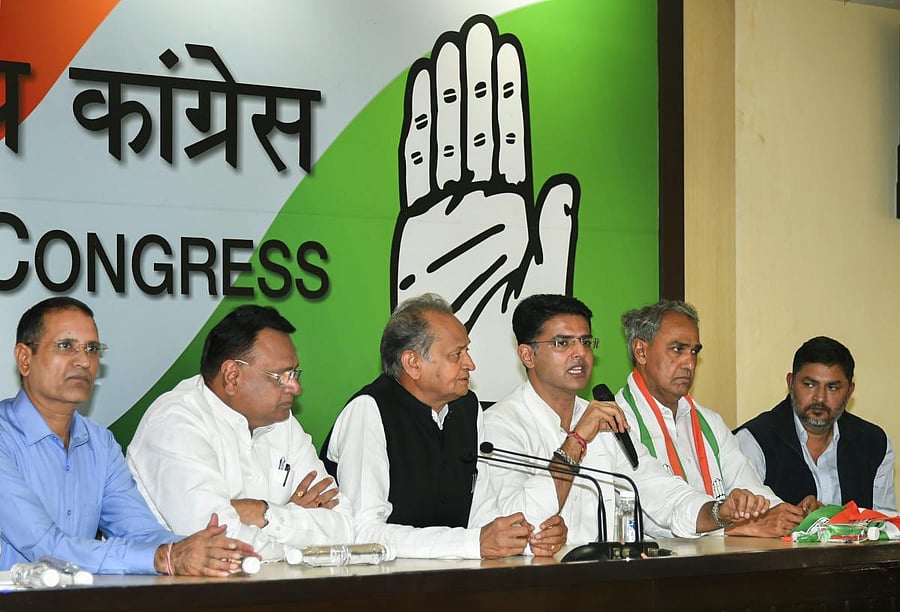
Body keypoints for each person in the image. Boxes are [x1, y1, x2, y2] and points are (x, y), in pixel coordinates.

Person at [482, 294, 770, 546]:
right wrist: (577, 440)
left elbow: (658, 490)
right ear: (527, 355)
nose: (580, 353)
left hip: (603, 582)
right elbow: (519, 521)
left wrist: (719, 512)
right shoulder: (501, 424)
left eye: (585, 341)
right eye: (562, 343)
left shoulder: (603, 418)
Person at [0, 297, 255, 575]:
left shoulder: (99, 443)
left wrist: (203, 551)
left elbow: (141, 533)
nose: (84, 361)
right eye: (66, 346)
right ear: (25, 359)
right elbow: (44, 546)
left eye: (92, 349)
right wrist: (166, 557)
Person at [320, 293, 567, 559]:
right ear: (413, 363)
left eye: (467, 351)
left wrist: (529, 538)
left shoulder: (467, 408)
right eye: (456, 355)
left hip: (448, 579)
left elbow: (479, 510)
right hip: (377, 587)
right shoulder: (370, 410)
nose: (470, 364)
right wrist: (473, 543)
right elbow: (364, 534)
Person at [127, 305, 353, 561]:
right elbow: (217, 544)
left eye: (294, 373)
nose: (296, 387)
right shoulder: (174, 421)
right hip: (181, 597)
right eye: (281, 376)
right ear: (232, 376)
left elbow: (344, 526)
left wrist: (262, 513)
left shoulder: (284, 423)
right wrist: (293, 523)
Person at [616, 299, 815, 537]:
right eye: (677, 349)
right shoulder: (616, 422)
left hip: (717, 565)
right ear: (641, 351)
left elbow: (750, 488)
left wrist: (791, 515)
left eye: (694, 351)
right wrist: (727, 519)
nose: (690, 363)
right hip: (651, 570)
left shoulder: (709, 422)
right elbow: (658, 511)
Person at [735, 336, 897, 514]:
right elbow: (742, 521)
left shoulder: (874, 443)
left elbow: (885, 524)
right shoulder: (754, 439)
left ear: (850, 391)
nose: (820, 398)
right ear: (790, 383)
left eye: (833, 387)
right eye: (810, 385)